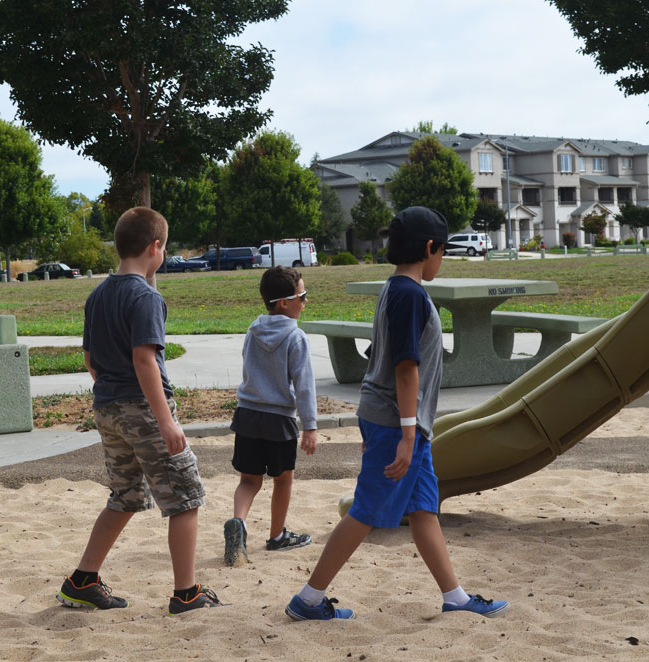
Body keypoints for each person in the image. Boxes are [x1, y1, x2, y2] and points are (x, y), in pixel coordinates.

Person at [285, 206, 510, 621]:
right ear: (430, 248)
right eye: (443, 251)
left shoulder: (395, 288)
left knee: (423, 507)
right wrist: (407, 435)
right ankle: (309, 599)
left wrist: (407, 431)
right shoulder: (410, 295)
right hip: (396, 422)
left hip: (400, 421)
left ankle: (455, 597)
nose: (442, 259)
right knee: (366, 510)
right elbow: (406, 368)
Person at [57, 206, 222, 615]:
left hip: (107, 407)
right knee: (185, 497)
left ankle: (83, 581)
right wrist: (165, 421)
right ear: (155, 247)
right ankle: (187, 593)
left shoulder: (98, 295)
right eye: (163, 248)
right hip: (144, 410)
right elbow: (144, 359)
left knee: (126, 495)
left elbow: (91, 360)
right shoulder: (146, 297)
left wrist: (113, 395)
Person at [224, 266, 318, 566]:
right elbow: (304, 386)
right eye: (302, 295)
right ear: (285, 303)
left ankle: (238, 522)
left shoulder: (253, 330)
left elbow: (247, 367)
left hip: (248, 414)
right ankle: (277, 536)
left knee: (249, 481)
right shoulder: (296, 337)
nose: (306, 301)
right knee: (283, 479)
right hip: (279, 419)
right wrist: (310, 426)